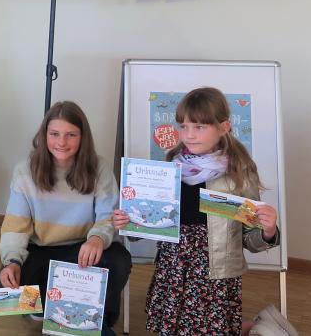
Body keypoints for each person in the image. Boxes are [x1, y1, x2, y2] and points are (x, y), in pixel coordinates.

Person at [113, 87, 280, 336]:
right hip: (174, 265)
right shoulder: (172, 166)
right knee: (172, 327)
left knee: (211, 329)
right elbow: (149, 226)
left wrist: (268, 231)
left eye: (199, 127)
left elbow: (250, 240)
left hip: (215, 271)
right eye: (183, 126)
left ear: (223, 127)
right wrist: (130, 220)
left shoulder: (239, 173)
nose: (189, 135)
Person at [0, 101, 131, 335]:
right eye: (54, 134)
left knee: (119, 260)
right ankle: (55, 309)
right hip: (41, 250)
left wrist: (98, 239)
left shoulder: (99, 168)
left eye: (71, 135)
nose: (61, 142)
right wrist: (12, 262)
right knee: (4, 290)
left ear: (83, 137)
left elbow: (107, 216)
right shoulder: (24, 170)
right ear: (44, 134)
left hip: (83, 251)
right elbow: (15, 226)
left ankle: (100, 318)